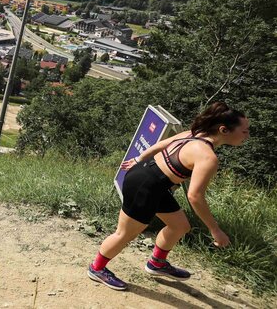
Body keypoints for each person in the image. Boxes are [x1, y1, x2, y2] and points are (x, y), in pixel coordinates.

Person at [87, 102, 250, 291]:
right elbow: (195, 196)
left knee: (180, 226)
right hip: (146, 186)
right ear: (224, 130)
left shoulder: (194, 134)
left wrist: (139, 159)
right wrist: (215, 230)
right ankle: (96, 268)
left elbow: (161, 144)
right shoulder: (207, 158)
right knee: (125, 234)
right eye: (244, 131)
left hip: (150, 179)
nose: (247, 136)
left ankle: (157, 264)